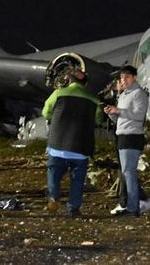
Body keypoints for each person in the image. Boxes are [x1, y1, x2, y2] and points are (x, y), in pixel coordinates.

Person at [42, 68, 104, 217]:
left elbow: (46, 112)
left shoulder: (58, 94)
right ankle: (73, 208)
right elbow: (98, 120)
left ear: (69, 81)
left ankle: (54, 197)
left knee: (54, 174)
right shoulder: (93, 99)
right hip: (81, 147)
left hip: (58, 144)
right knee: (77, 181)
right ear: (85, 84)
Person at [104, 65, 150, 217]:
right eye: (121, 78)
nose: (123, 81)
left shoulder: (139, 94)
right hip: (123, 135)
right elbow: (123, 117)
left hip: (132, 136)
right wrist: (112, 113)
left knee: (129, 173)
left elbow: (139, 115)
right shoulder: (124, 95)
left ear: (134, 78)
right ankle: (135, 204)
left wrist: (118, 110)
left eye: (126, 77)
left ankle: (133, 207)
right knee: (126, 173)